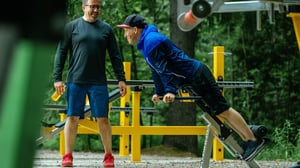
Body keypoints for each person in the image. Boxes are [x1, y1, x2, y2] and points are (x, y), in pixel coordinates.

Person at [117, 14, 268, 161]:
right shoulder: (146, 44)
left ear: (135, 29)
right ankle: (248, 138)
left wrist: (170, 91)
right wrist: (160, 92)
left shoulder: (151, 41)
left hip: (197, 75)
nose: (125, 35)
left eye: (126, 30)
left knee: (223, 109)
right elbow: (155, 70)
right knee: (219, 113)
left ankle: (253, 140)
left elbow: (164, 69)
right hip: (192, 78)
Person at [53, 0, 127, 167]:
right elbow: (61, 53)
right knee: (72, 118)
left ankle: (108, 155)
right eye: (92, 6)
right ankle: (68, 155)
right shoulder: (71, 27)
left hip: (98, 82)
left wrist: (121, 78)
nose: (95, 10)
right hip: (75, 80)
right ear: (84, 7)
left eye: (98, 7)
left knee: (103, 119)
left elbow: (115, 55)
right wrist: (57, 78)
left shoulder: (106, 29)